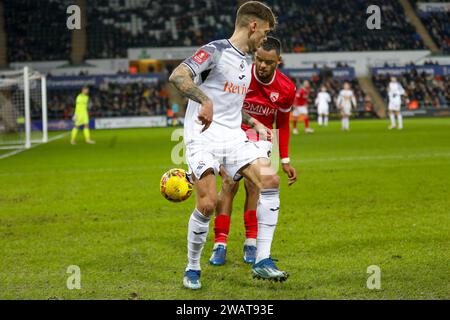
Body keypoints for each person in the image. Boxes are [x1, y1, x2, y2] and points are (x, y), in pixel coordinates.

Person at [168, 1, 286, 290]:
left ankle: (262, 260)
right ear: (253, 26)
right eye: (265, 32)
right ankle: (192, 267)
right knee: (208, 204)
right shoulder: (215, 51)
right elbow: (178, 76)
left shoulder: (248, 61)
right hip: (202, 136)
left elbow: (229, 102)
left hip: (233, 136)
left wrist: (254, 122)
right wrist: (203, 100)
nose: (265, 39)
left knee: (269, 180)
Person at [209, 36, 297, 266]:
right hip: (233, 133)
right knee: (229, 183)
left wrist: (285, 158)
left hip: (262, 139)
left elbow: (284, 124)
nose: (262, 66)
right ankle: (220, 244)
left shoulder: (286, 88)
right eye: (259, 59)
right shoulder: (241, 76)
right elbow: (224, 107)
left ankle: (250, 242)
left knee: (255, 186)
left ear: (279, 61)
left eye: (269, 62)